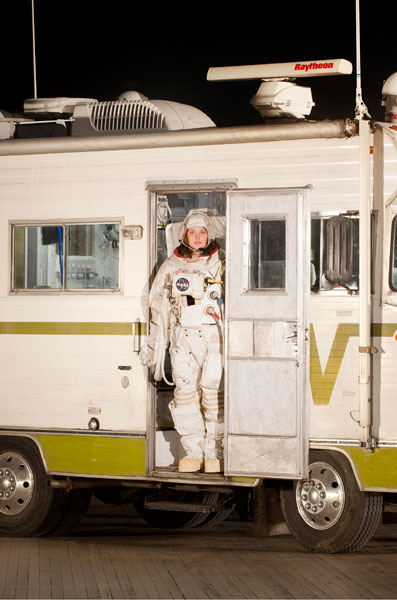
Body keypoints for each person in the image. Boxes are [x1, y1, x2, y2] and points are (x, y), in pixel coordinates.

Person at [140, 210, 225, 473]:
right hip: (182, 339)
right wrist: (153, 345)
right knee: (186, 394)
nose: (198, 237)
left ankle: (214, 450)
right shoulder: (171, 266)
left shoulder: (220, 263)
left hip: (213, 338)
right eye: (192, 232)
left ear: (209, 233)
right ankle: (193, 451)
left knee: (213, 394)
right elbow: (156, 306)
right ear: (184, 235)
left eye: (202, 232)